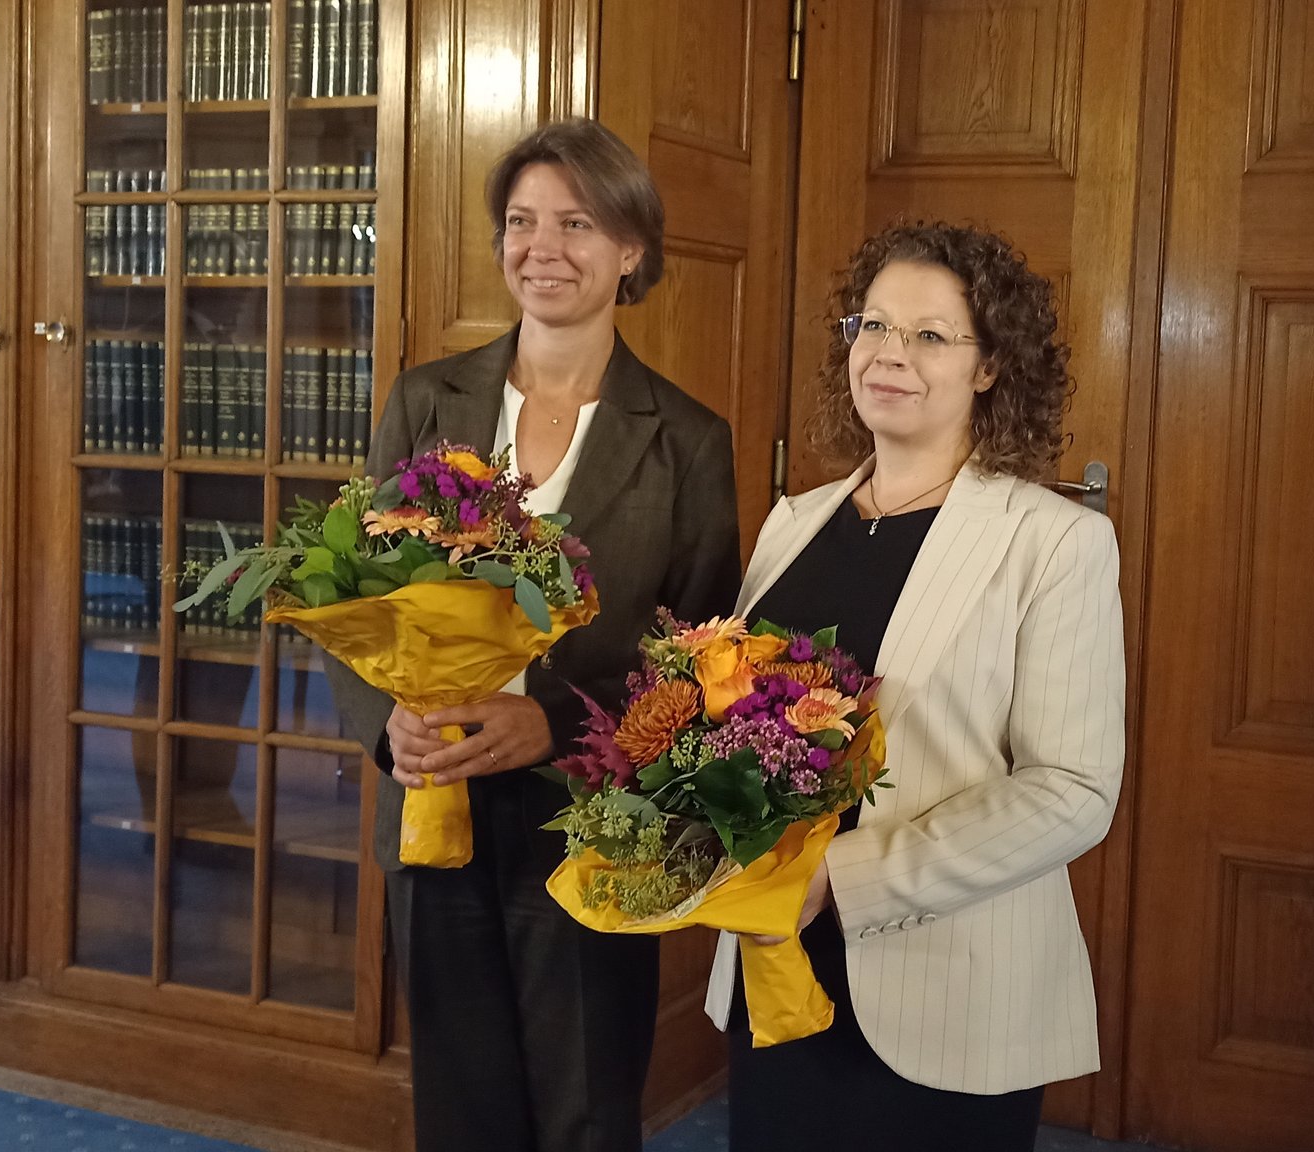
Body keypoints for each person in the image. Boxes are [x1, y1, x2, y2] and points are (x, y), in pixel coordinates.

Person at [326, 118, 740, 1152]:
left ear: (630, 248)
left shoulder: (687, 439)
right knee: (459, 1101)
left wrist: (548, 721)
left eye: (575, 223)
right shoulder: (426, 398)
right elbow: (347, 597)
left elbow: (693, 663)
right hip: (437, 798)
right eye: (520, 222)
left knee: (585, 1107)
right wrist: (389, 729)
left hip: (592, 820)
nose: (541, 248)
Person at [706, 221, 1126, 1151]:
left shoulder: (1053, 543)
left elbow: (1075, 792)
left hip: (948, 988)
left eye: (930, 335)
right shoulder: (794, 522)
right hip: (776, 969)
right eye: (872, 326)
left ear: (988, 368)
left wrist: (842, 877)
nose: (889, 355)